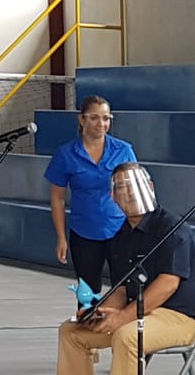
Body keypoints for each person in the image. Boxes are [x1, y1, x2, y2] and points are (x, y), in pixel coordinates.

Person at [36, 163, 195, 375]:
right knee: (72, 332)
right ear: (112, 196)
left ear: (150, 188)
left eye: (132, 185)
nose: (126, 193)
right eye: (119, 187)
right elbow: (123, 288)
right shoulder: (121, 235)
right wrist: (99, 311)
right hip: (140, 311)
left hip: (179, 315)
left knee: (127, 335)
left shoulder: (173, 228)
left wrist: (123, 318)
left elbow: (168, 284)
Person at [44, 95, 137, 292]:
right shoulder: (65, 154)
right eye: (94, 117)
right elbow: (57, 198)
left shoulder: (124, 150)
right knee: (88, 295)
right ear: (82, 119)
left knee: (125, 290)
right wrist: (61, 237)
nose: (101, 123)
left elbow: (134, 192)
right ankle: (87, 323)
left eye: (106, 118)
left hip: (119, 230)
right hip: (83, 232)